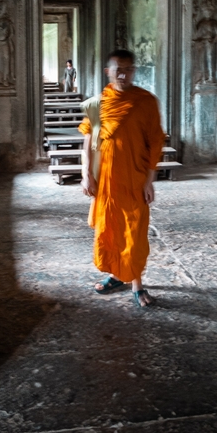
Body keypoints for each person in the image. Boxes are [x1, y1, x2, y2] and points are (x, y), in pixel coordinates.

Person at [79, 49, 165, 308]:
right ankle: (116, 275)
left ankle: (136, 283)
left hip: (135, 179)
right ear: (109, 72)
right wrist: (86, 175)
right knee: (111, 229)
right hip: (106, 180)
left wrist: (149, 180)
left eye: (128, 69)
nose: (124, 74)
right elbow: (87, 142)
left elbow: (155, 142)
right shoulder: (99, 104)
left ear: (134, 71)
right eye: (118, 69)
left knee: (134, 232)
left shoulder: (145, 101)